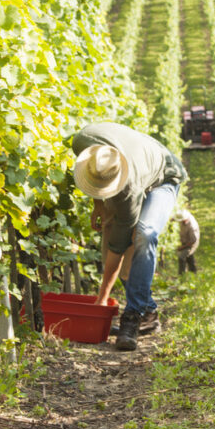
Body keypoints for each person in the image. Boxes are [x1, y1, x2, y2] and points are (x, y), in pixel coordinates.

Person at [72, 122, 187, 351]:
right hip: (139, 158)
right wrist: (98, 204)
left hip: (164, 174)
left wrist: (102, 298)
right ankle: (149, 312)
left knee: (143, 235)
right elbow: (94, 172)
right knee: (119, 236)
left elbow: (118, 247)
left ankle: (133, 316)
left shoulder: (128, 189)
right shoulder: (82, 142)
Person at [175, 209, 200, 275]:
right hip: (185, 240)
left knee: (182, 257)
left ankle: (181, 277)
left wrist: (182, 247)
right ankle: (193, 274)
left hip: (191, 243)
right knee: (189, 258)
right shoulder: (183, 218)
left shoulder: (192, 226)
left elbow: (192, 241)